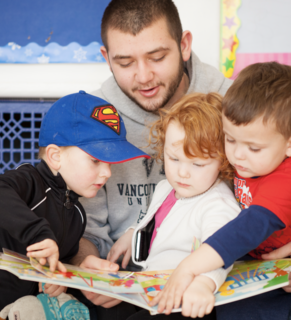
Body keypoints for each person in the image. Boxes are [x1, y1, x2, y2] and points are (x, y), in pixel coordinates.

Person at [76, 0, 232, 280]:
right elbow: (83, 231)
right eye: (125, 62)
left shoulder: (233, 108)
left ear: (184, 45)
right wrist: (89, 267)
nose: (144, 77)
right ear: (107, 57)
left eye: (157, 58)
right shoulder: (92, 119)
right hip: (121, 279)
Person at [0, 90, 150, 320]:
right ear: (55, 156)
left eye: (109, 163)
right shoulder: (30, 181)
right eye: (96, 160)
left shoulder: (77, 215)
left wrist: (61, 276)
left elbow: (60, 259)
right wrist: (38, 234)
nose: (107, 173)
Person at [151, 62, 291, 320]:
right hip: (257, 263)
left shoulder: (284, 180)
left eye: (254, 148)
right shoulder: (250, 159)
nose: (237, 155)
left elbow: (245, 229)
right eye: (230, 139)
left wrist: (188, 268)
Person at [117, 92, 240, 320]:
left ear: (223, 160)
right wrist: (132, 233)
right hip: (154, 287)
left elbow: (222, 252)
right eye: (174, 159)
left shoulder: (218, 205)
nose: (182, 172)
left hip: (186, 300)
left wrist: (204, 284)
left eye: (197, 163)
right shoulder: (166, 187)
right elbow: (155, 220)